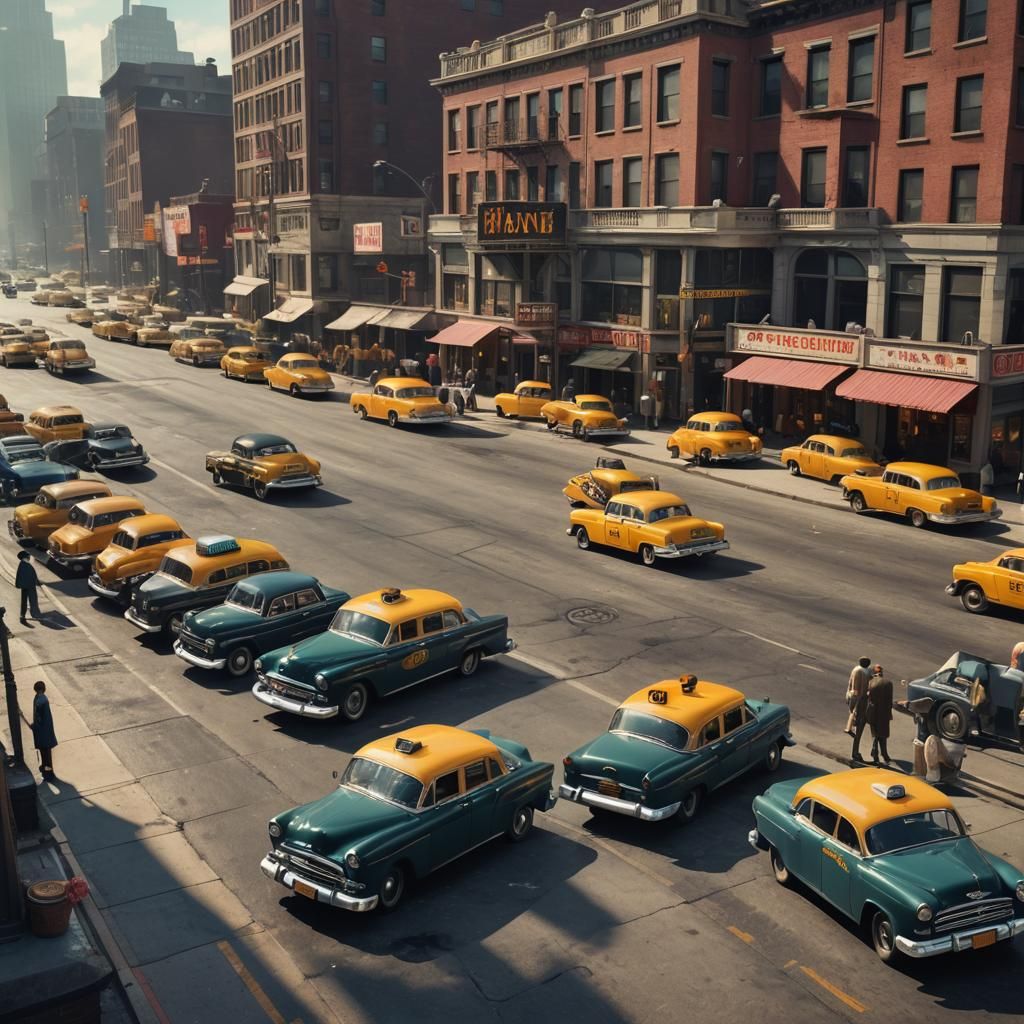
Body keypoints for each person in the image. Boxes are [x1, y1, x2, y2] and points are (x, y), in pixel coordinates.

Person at [866, 665, 894, 765]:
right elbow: (890, 700)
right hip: (884, 712)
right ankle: (885, 755)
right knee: (883, 734)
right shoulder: (888, 683)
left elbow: (868, 698)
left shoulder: (871, 682)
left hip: (873, 711)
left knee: (875, 733)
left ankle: (875, 754)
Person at [846, 657, 871, 761]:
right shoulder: (859, 672)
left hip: (863, 702)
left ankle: (855, 751)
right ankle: (855, 752)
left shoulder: (865, 671)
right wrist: (853, 707)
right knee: (858, 728)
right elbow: (854, 691)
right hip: (859, 703)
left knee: (859, 728)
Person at [31, 680, 57, 777]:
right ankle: (47, 769)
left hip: (42, 731)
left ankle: (48, 772)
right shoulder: (42, 699)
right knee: (46, 752)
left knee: (44, 752)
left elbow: (39, 718)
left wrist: (34, 726)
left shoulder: (38, 700)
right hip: (45, 730)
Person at [16, 551, 41, 624]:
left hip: (27, 586)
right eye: (28, 556)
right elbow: (24, 576)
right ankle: (26, 615)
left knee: (26, 600)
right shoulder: (24, 565)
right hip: (28, 586)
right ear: (25, 557)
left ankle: (24, 615)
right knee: (30, 600)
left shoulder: (24, 564)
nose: (29, 557)